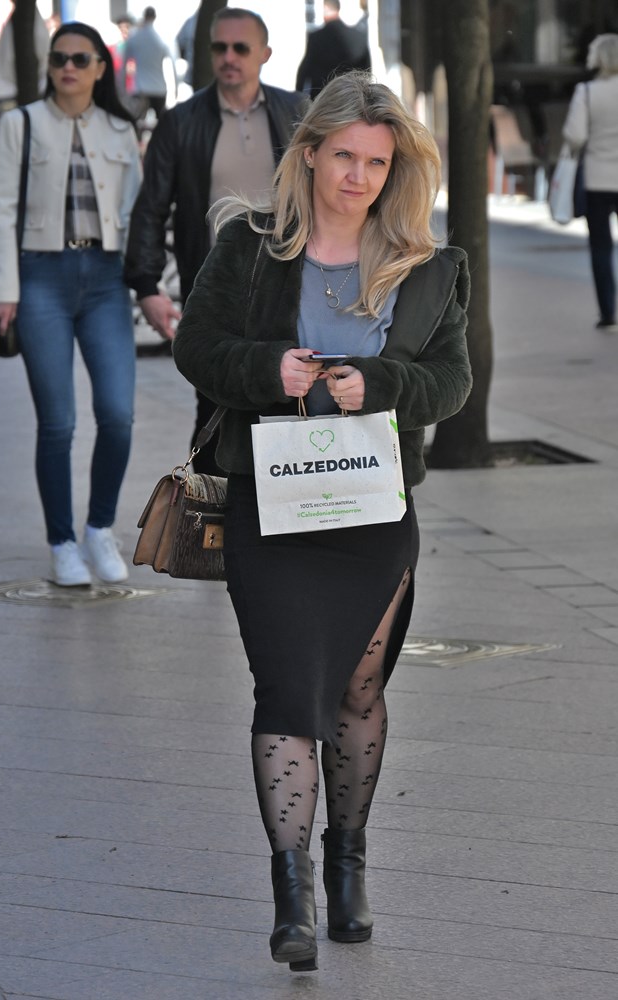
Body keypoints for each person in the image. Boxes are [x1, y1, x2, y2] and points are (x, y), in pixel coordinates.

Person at [173, 71, 472, 971]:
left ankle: (348, 865)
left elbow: (450, 384)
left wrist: (376, 383)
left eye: (377, 163)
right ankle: (293, 894)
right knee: (285, 692)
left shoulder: (429, 265)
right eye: (343, 156)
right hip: (272, 502)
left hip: (375, 511)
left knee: (357, 694)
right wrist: (270, 370)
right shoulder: (250, 246)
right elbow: (197, 348)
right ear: (307, 154)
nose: (359, 177)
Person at [0, 22, 142, 587]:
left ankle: (99, 527)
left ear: (101, 67)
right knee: (58, 423)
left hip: (106, 280)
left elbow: (136, 212)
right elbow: (2, 208)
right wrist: (4, 290)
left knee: (118, 415)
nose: (68, 68)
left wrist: (145, 284)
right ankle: (62, 544)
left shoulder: (120, 129)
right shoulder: (20, 123)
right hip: (40, 279)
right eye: (59, 59)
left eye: (80, 59)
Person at [124, 7, 308, 474]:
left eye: (240, 48)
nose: (229, 57)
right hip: (215, 291)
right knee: (214, 411)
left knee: (291, 406)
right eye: (219, 48)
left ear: (265, 54)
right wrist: (147, 286)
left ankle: (281, 508)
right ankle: (204, 511)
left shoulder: (298, 115)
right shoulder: (181, 122)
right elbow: (151, 207)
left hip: (293, 286)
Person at [562, 33, 618, 332]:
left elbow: (576, 136)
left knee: (600, 248)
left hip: (597, 179)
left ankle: (608, 313)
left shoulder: (587, 92)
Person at [296, 0, 371, 100]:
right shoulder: (359, 37)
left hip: (322, 99)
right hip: (352, 99)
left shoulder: (316, 37)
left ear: (326, 9)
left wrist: (298, 98)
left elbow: (305, 70)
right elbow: (367, 71)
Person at [121, 6, 173, 121]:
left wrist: (123, 89)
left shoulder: (135, 38)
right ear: (154, 17)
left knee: (136, 122)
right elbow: (171, 62)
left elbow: (124, 65)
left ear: (144, 17)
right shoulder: (161, 39)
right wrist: (175, 90)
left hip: (140, 88)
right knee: (161, 123)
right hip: (159, 88)